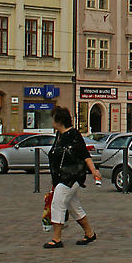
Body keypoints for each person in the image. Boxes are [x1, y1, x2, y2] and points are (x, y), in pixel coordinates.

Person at [44, 105, 101, 249]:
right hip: (60, 177)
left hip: (73, 176)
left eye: (53, 118)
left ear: (59, 120)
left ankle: (56, 238)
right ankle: (89, 233)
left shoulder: (74, 135)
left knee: (58, 203)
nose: (52, 121)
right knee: (73, 206)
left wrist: (94, 171)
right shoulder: (59, 136)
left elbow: (85, 155)